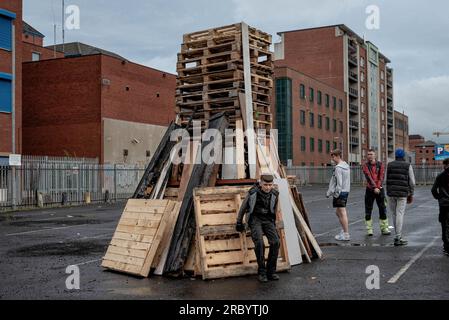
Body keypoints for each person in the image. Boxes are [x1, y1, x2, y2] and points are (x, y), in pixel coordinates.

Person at [236, 174, 280, 283]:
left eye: (270, 185)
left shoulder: (274, 194)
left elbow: (274, 209)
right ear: (261, 183)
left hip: (268, 220)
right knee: (260, 243)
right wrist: (239, 222)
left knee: (276, 242)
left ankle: (271, 271)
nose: (268, 187)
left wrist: (273, 224)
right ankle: (262, 272)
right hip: (255, 220)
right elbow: (243, 208)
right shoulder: (253, 193)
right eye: (265, 185)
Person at [386, 148, 415, 246]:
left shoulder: (389, 165)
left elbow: (387, 179)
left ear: (395, 156)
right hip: (402, 194)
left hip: (391, 193)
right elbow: (412, 182)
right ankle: (398, 236)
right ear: (403, 156)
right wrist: (411, 193)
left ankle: (397, 235)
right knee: (400, 214)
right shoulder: (407, 165)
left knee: (394, 214)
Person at [362, 149, 391, 236]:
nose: (369, 156)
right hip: (370, 190)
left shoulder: (380, 164)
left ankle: (384, 228)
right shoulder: (365, 165)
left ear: (375, 155)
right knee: (368, 209)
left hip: (379, 189)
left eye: (371, 154)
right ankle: (369, 229)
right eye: (368, 154)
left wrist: (378, 187)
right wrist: (374, 187)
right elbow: (368, 177)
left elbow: (381, 176)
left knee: (382, 208)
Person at [326, 149, 351, 241]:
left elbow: (338, 183)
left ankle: (346, 234)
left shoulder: (338, 168)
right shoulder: (346, 166)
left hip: (340, 192)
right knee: (338, 212)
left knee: (342, 212)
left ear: (336, 156)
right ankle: (344, 231)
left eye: (332, 157)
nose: (332, 159)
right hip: (346, 191)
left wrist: (335, 194)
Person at [431, 158, 449, 256]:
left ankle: (447, 246)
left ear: (445, 165)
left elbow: (433, 190)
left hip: (444, 204)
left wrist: (439, 198)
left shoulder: (440, 176)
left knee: (444, 225)